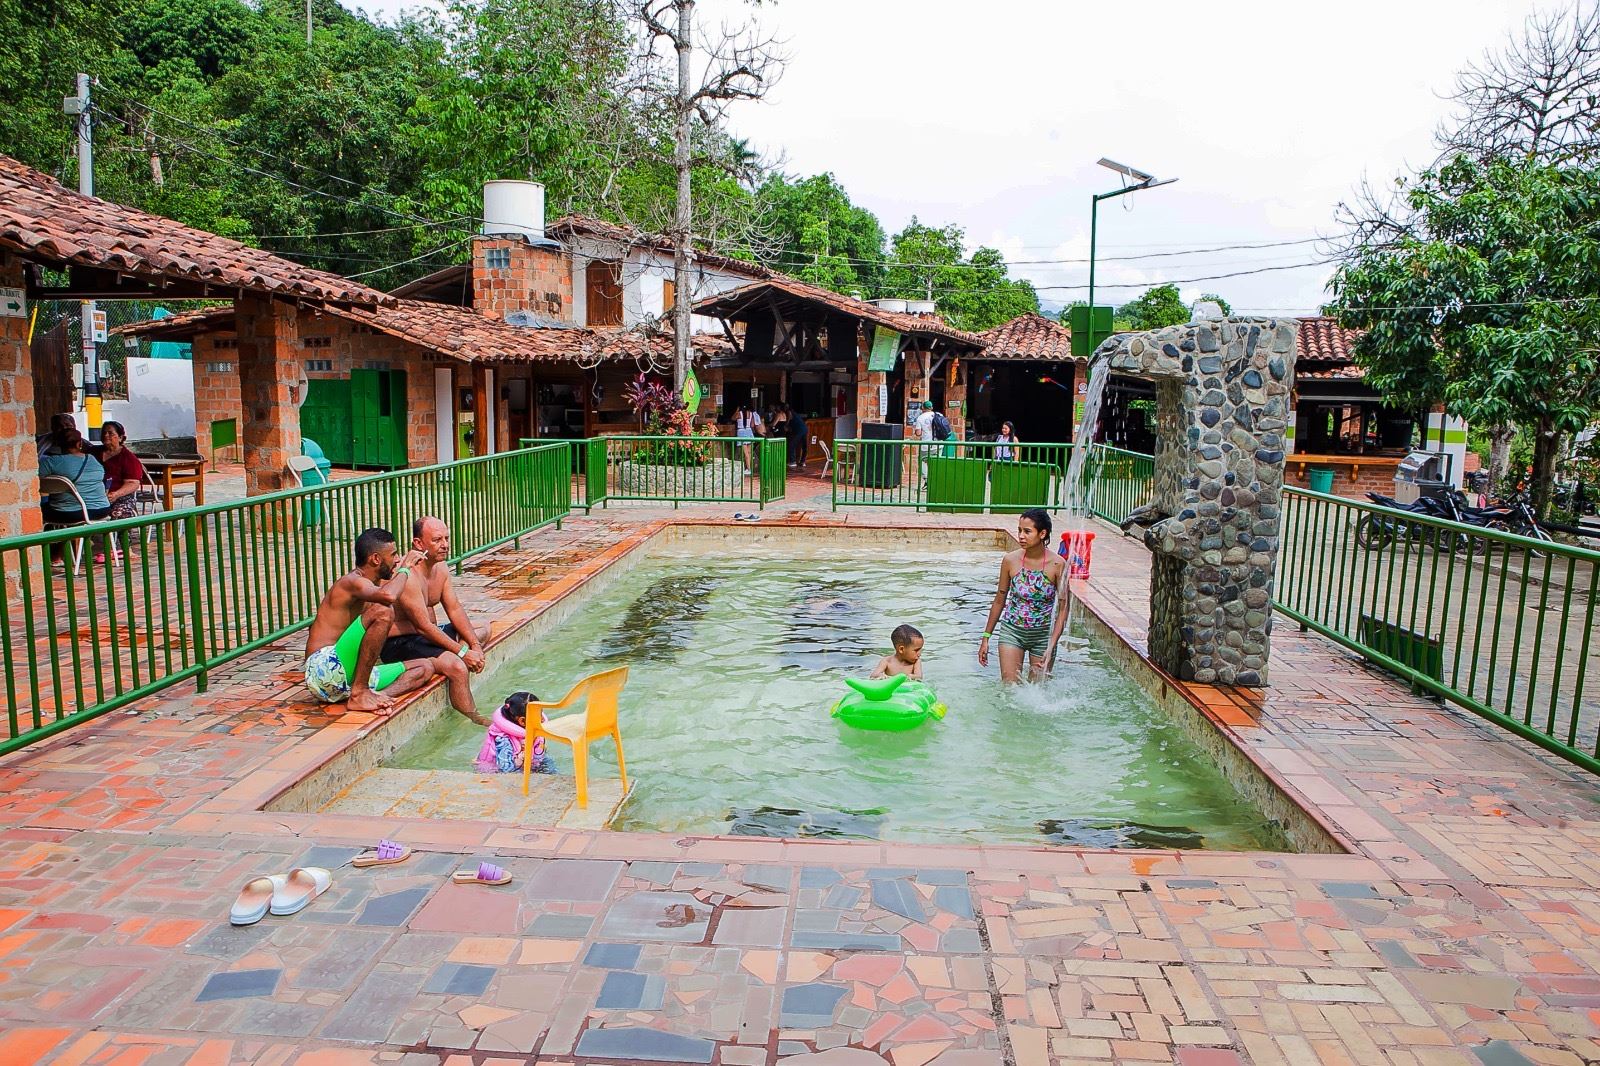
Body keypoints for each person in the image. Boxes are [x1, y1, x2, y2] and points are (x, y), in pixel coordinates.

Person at [303, 528, 435, 713]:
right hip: (323, 669)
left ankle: (377, 697)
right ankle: (360, 694)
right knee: (383, 611)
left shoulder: (372, 586)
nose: (397, 560)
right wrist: (406, 567)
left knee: (424, 667)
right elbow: (389, 597)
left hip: (346, 678)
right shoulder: (352, 582)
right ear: (376, 559)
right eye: (393, 555)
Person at [380, 516, 488, 725]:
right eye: (437, 540)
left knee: (483, 628)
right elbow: (423, 627)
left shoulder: (441, 567)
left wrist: (474, 646)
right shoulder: (408, 574)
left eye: (446, 538)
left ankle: (460, 654)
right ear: (418, 543)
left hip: (426, 635)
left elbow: (454, 609)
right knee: (457, 667)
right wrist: (462, 653)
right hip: (400, 643)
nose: (445, 545)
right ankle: (473, 720)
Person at [979, 508, 1068, 683]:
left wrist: (1051, 645)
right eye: (1019, 530)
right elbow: (999, 600)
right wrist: (986, 638)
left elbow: (1064, 608)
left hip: (1043, 636)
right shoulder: (1010, 561)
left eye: (1027, 531)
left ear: (1042, 534)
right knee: (1010, 689)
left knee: (1038, 690)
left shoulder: (1058, 564)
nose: (1021, 536)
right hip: (1012, 632)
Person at [39, 429, 112, 524]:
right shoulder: (92, 459)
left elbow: (34, 481)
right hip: (102, 510)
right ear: (79, 444)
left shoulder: (50, 462)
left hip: (69, 513)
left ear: (58, 444)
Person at [475, 691, 548, 774]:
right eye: (539, 715)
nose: (542, 719)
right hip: (494, 773)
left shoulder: (532, 732)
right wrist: (522, 760)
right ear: (522, 721)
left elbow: (540, 757)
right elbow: (506, 770)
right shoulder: (503, 740)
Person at [97, 421, 146, 521]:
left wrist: (116, 494)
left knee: (119, 514)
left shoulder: (128, 458)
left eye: (110, 433)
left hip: (120, 497)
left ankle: (120, 532)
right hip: (96, 497)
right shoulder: (93, 453)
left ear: (120, 438)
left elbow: (133, 483)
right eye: (104, 433)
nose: (106, 435)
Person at [733, 403, 763, 472]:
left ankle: (748, 469)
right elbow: (752, 425)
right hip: (749, 431)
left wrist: (736, 410)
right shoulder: (751, 414)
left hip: (741, 432)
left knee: (746, 453)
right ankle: (748, 468)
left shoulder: (739, 413)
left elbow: (733, 418)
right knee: (749, 452)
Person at [786, 406, 810, 470]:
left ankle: (793, 461)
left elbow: (789, 418)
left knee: (791, 445)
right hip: (804, 429)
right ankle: (802, 462)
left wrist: (786, 424)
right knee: (804, 446)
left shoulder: (789, 412)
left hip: (799, 430)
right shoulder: (795, 414)